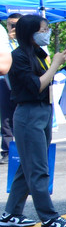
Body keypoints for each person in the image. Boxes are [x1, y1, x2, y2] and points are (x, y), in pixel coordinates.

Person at [0, 15, 66, 227]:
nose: (46, 34)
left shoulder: (37, 53)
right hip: (29, 113)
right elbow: (36, 86)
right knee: (38, 168)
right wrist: (54, 66)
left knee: (27, 166)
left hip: (43, 111)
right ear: (29, 32)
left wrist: (54, 64)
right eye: (43, 30)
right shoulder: (19, 57)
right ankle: (49, 217)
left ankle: (12, 213)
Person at [0, 10, 19, 161]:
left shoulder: (27, 40)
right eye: (9, 25)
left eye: (15, 25)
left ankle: (21, 147)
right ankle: (7, 150)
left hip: (22, 82)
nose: (11, 28)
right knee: (6, 117)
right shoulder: (3, 39)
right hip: (5, 81)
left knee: (21, 115)